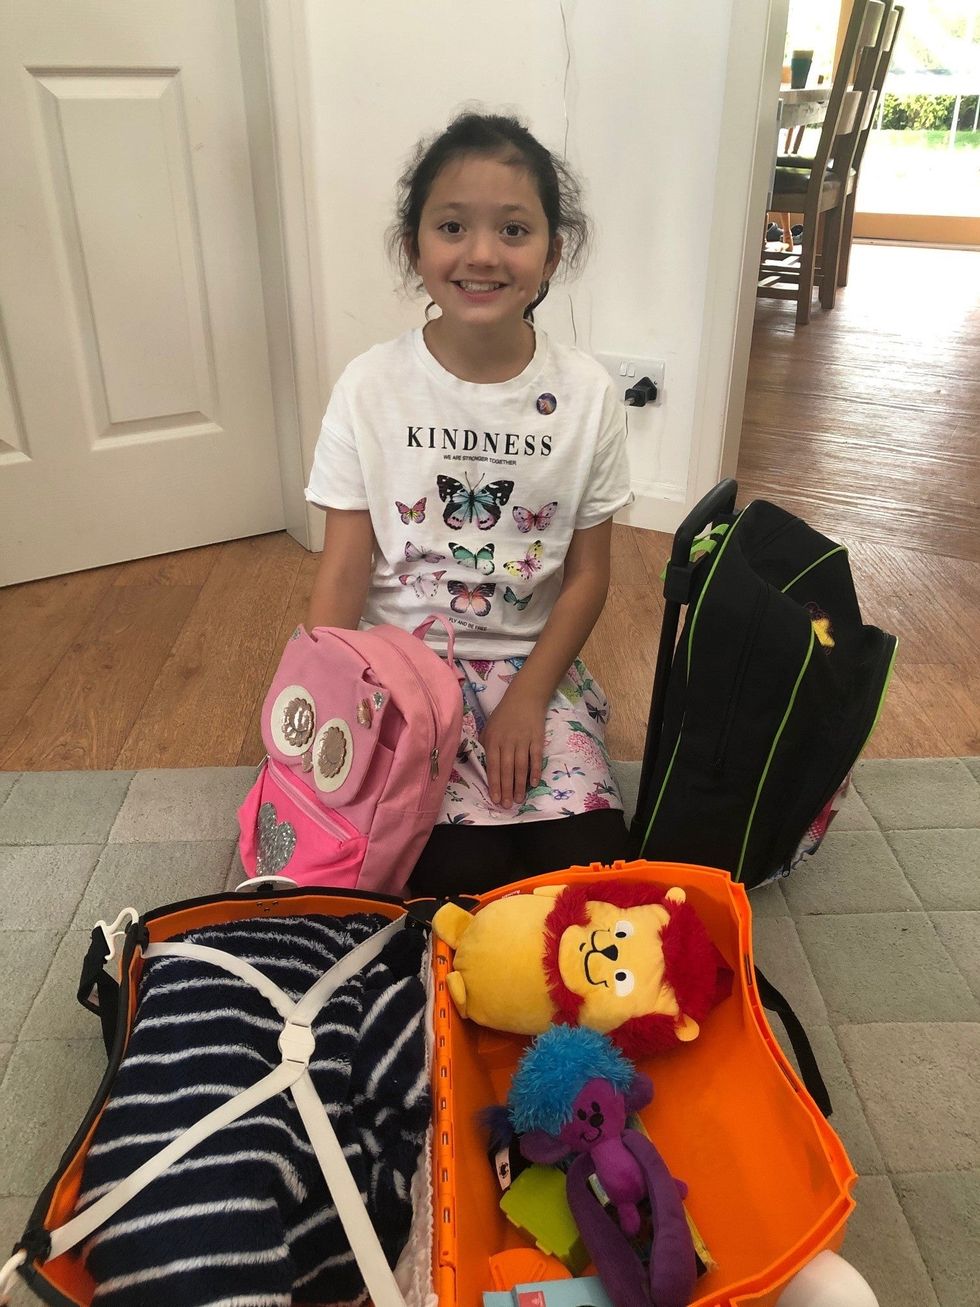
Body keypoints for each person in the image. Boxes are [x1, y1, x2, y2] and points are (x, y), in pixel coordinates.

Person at [304, 110, 633, 897]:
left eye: (513, 230)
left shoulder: (589, 394)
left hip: (531, 664)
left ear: (554, 251)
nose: (482, 254)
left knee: (592, 881)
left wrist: (527, 699)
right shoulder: (368, 386)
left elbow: (588, 575)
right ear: (415, 245)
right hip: (403, 669)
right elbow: (345, 566)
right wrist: (327, 696)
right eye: (453, 226)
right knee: (449, 879)